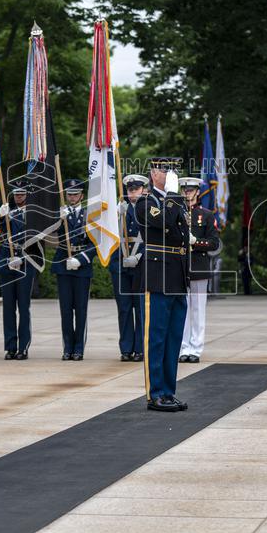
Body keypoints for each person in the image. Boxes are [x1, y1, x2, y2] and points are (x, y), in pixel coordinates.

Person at [135, 157, 190, 412]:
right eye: (163, 169)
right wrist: (171, 195)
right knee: (155, 338)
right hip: (158, 276)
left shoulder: (173, 198)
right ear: (152, 173)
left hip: (177, 276)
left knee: (173, 339)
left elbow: (181, 233)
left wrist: (173, 197)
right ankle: (154, 393)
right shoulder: (146, 201)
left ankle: (168, 391)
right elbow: (165, 221)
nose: (167, 173)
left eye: (170, 170)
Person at [53, 179, 97, 361]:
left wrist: (80, 259)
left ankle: (79, 348)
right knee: (65, 310)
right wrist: (58, 219)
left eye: (75, 194)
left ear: (82, 195)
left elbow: (95, 243)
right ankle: (67, 347)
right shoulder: (60, 214)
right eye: (69, 194)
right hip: (64, 264)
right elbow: (49, 233)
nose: (72, 197)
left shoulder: (89, 216)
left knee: (80, 309)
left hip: (81, 266)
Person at [179, 176, 220, 363]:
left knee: (198, 310)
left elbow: (213, 243)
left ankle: (195, 348)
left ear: (197, 192)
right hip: (180, 267)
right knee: (183, 309)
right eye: (184, 190)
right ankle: (183, 347)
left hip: (198, 266)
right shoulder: (176, 213)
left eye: (190, 190)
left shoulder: (207, 214)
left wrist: (196, 242)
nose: (187, 193)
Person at [0, 180, 37, 360]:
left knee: (23, 307)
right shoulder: (6, 213)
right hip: (7, 264)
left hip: (26, 265)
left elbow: (37, 242)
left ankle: (23, 346)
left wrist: (20, 258)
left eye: (22, 194)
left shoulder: (35, 214)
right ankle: (10, 346)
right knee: (8, 308)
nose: (19, 196)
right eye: (17, 193)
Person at [110, 174, 146, 362]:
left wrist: (140, 255)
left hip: (140, 264)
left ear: (143, 190)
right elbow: (107, 235)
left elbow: (154, 238)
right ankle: (126, 348)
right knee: (124, 308)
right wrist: (115, 216)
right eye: (130, 190)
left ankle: (140, 347)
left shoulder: (148, 209)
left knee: (140, 309)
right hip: (120, 264)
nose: (132, 193)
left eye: (136, 190)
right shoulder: (119, 210)